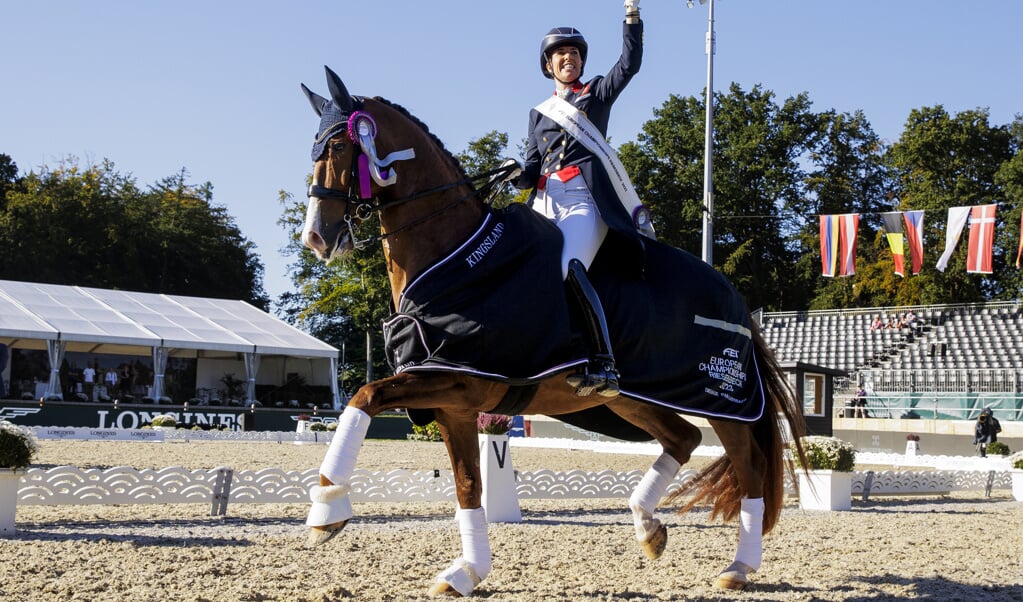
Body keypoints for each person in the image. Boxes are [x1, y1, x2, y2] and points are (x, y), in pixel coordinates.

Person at [514, 0, 644, 398]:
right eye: (560, 54)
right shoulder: (539, 113)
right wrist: (513, 172)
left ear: (581, 62)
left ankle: (604, 364)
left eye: (573, 53)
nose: (567, 58)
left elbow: (630, 63)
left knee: (570, 267)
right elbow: (533, 168)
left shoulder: (596, 94)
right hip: (545, 200)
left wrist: (631, 17)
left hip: (584, 199)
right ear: (548, 65)